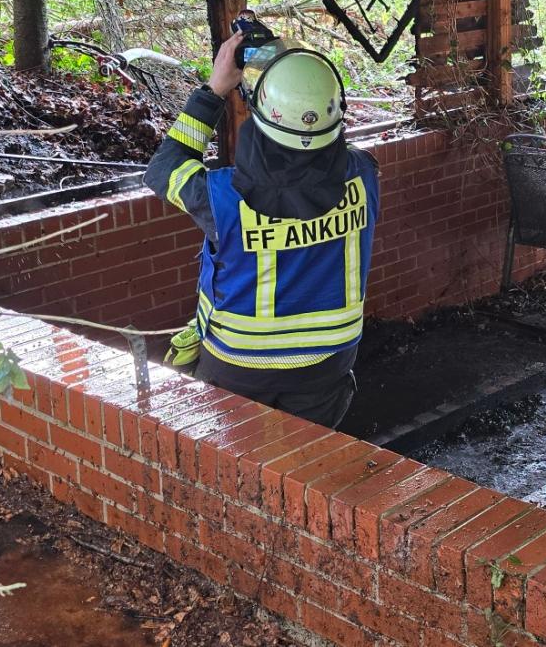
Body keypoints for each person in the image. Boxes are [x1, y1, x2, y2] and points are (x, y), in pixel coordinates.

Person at [144, 29, 379, 427]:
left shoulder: (219, 195)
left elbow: (164, 167)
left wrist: (215, 89)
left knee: (232, 467)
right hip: (327, 361)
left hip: (239, 364)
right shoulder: (365, 176)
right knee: (307, 468)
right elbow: (327, 151)